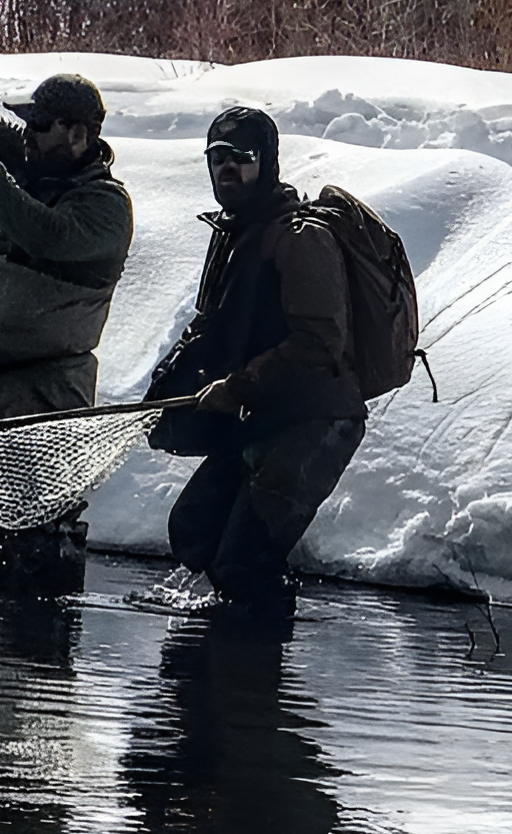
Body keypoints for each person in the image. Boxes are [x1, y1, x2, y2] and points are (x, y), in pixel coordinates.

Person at [145, 106, 367, 613]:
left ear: (267, 162)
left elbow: (318, 344)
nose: (227, 168)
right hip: (262, 413)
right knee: (193, 533)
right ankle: (212, 677)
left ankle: (258, 673)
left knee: (244, 562)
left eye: (241, 157)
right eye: (217, 157)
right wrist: (168, 396)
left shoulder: (300, 238)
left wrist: (238, 386)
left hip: (317, 418)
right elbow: (212, 329)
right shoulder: (233, 235)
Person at [0, 55, 134, 581]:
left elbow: (42, 233)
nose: (29, 136)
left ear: (79, 135)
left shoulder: (105, 207)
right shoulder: (35, 167)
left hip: (42, 393)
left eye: (40, 127)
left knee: (35, 540)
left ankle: (38, 652)